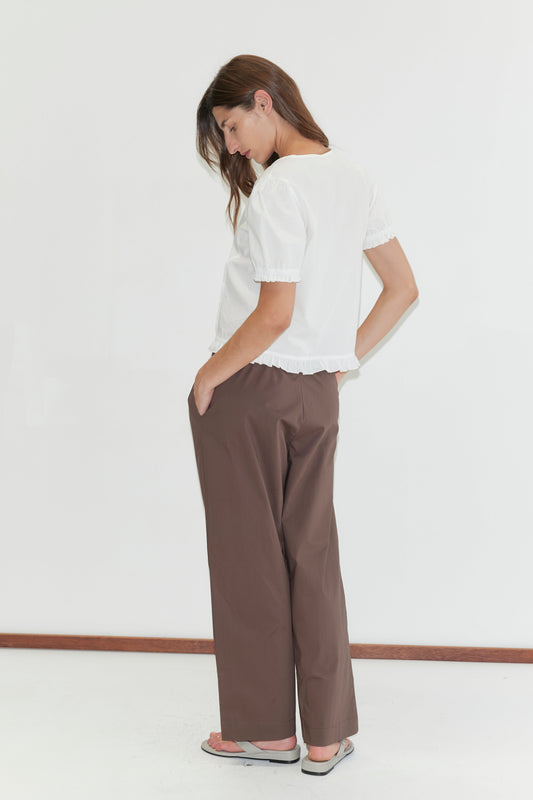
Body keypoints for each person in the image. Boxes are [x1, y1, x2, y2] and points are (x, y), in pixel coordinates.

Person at [188, 54, 418, 777]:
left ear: (263, 101)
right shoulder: (352, 177)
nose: (231, 146)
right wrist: (339, 359)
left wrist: (208, 372)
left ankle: (262, 731)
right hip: (316, 393)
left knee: (247, 561)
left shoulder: (279, 189)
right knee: (311, 556)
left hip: (251, 391)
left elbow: (273, 312)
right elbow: (402, 289)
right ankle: (325, 737)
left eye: (230, 126)